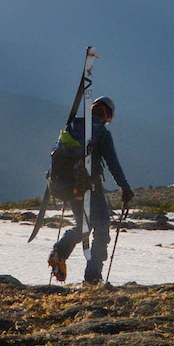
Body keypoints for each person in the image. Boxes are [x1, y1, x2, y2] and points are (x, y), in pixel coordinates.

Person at [47, 95, 133, 284]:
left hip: (70, 187)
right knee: (101, 226)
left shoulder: (73, 127)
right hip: (90, 186)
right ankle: (93, 275)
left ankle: (60, 252)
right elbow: (113, 163)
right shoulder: (101, 133)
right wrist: (125, 187)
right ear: (108, 116)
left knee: (84, 226)